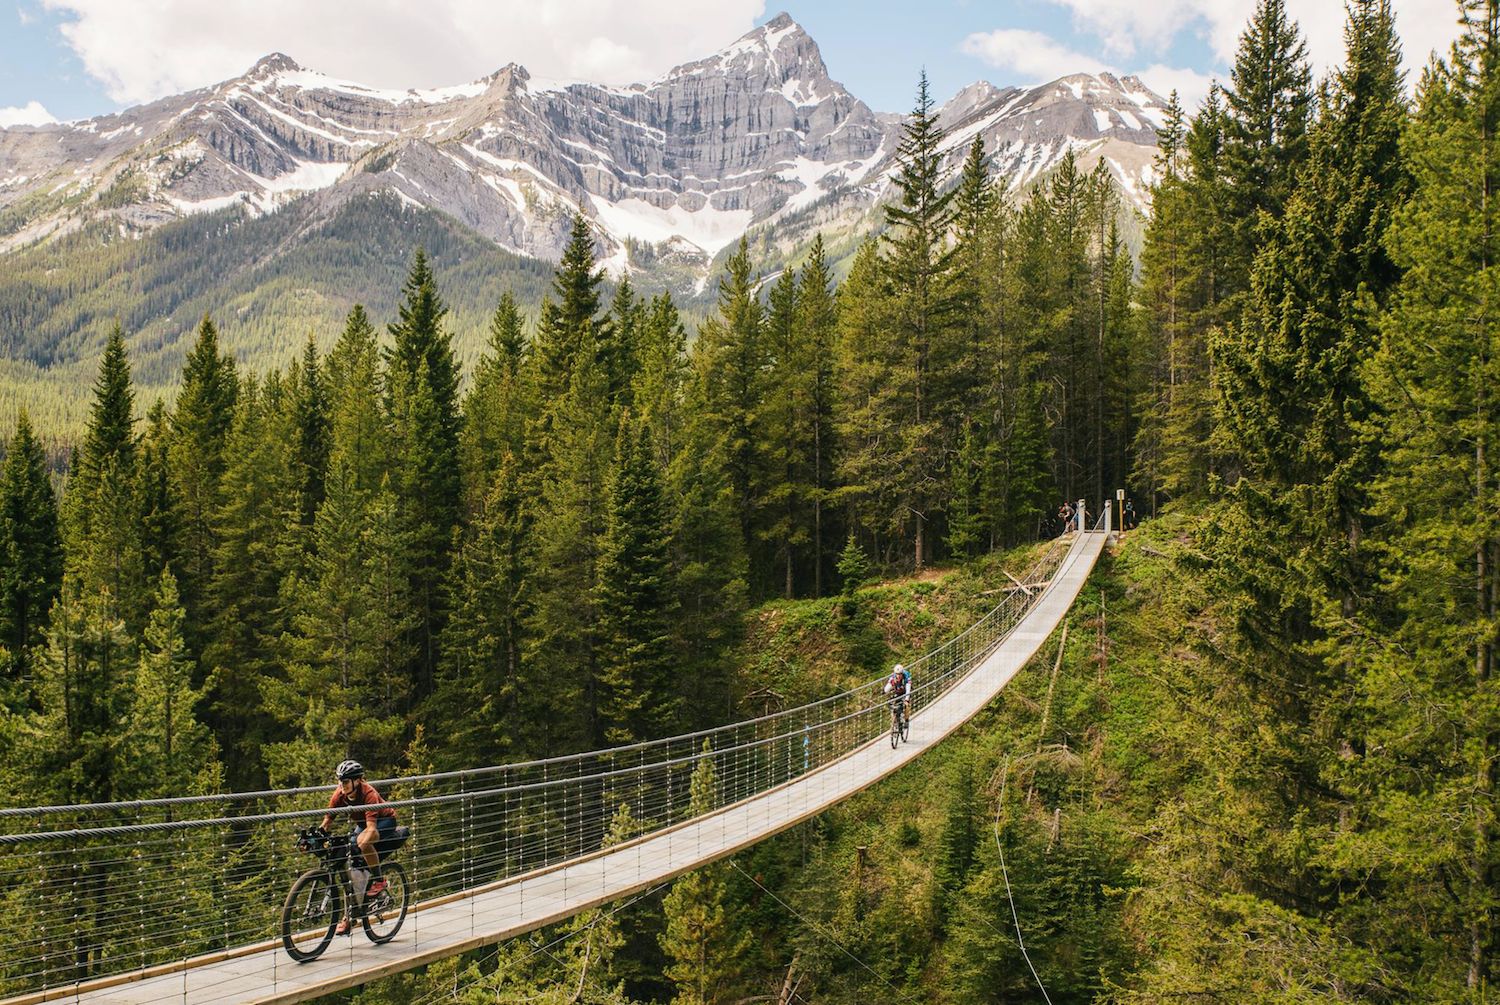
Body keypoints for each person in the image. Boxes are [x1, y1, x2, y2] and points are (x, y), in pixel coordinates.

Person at [320, 759, 398, 934]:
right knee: (352, 863)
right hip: (364, 824)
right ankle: (353, 911)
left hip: (384, 821)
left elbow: (371, 829)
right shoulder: (339, 794)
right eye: (340, 781)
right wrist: (316, 836)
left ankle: (380, 881)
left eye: (346, 781)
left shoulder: (368, 794)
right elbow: (327, 821)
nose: (342, 785)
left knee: (363, 843)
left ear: (357, 781)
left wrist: (360, 843)